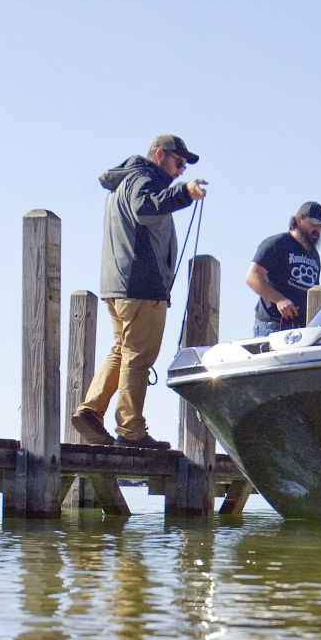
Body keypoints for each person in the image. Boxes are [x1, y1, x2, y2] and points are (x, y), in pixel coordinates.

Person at [72, 134, 207, 451]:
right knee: (139, 355)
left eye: (184, 167)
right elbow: (146, 209)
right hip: (140, 286)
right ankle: (131, 430)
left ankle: (91, 410)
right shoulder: (144, 179)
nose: (180, 170)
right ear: (160, 155)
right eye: (178, 162)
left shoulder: (127, 179)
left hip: (118, 285)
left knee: (123, 349)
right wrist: (183, 194)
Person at [247, 202, 321, 335]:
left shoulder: (314, 255)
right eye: (313, 224)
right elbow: (252, 276)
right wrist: (279, 300)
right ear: (298, 220)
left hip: (301, 329)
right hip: (272, 325)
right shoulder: (277, 244)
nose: (316, 229)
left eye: (320, 226)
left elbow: (314, 292)